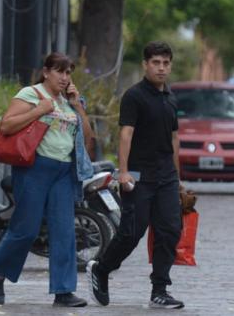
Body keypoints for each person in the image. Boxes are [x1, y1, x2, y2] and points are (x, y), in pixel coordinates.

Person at [0, 52, 95, 308]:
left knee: (64, 230)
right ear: (46, 72)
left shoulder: (69, 102)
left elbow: (88, 137)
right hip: (35, 168)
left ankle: (64, 290)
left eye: (68, 73)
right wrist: (39, 110)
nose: (64, 77)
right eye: (60, 71)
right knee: (27, 228)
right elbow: (6, 126)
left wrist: (78, 105)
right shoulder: (31, 94)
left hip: (64, 171)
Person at [87, 41, 185, 309]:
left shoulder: (170, 98)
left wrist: (178, 179)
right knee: (132, 232)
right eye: (156, 63)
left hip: (166, 177)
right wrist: (124, 172)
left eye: (165, 63)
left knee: (170, 231)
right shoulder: (134, 96)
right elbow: (126, 134)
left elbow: (175, 138)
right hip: (139, 176)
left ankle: (160, 290)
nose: (161, 68)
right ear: (145, 65)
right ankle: (102, 269)